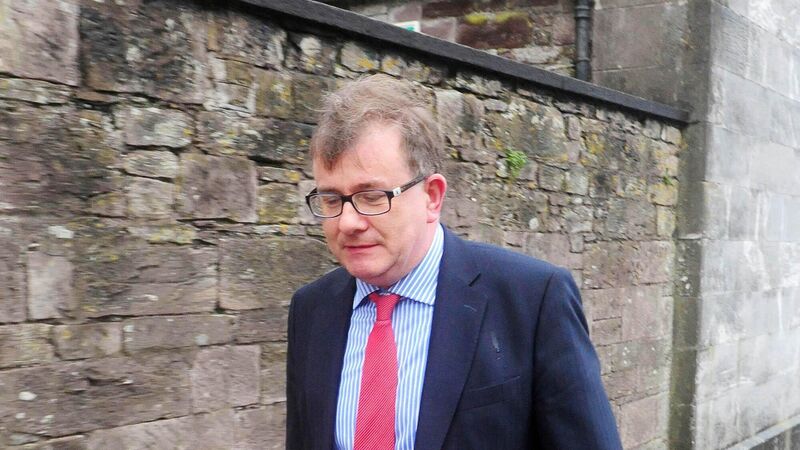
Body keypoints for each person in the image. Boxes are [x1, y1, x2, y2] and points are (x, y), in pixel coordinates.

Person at [286, 74, 622, 450]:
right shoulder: (311, 309)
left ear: (432, 196)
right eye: (332, 199)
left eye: (372, 196)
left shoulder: (532, 300)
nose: (348, 222)